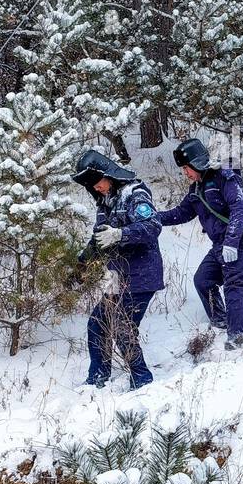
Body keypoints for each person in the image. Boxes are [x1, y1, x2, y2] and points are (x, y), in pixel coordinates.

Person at [72, 148, 164, 388]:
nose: (95, 188)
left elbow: (152, 226)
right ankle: (98, 378)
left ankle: (142, 380)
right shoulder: (105, 203)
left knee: (122, 328)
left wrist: (121, 234)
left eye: (97, 182)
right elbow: (99, 240)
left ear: (108, 174)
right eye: (90, 186)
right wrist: (80, 267)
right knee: (98, 323)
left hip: (142, 274)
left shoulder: (135, 193)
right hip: (116, 277)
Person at [157, 137, 243, 349]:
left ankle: (239, 336)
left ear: (197, 162)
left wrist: (232, 241)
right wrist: (154, 218)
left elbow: (240, 208)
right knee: (203, 280)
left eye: (187, 168)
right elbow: (181, 213)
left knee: (235, 284)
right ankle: (220, 320)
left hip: (240, 241)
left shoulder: (224, 177)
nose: (185, 173)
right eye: (183, 169)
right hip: (220, 245)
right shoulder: (196, 190)